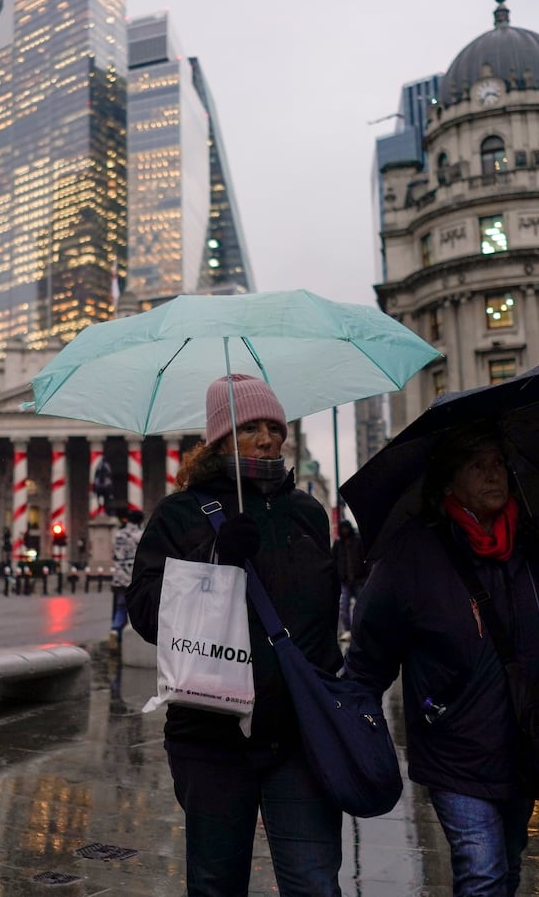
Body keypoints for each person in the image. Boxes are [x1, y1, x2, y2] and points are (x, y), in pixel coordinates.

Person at [345, 426, 539, 897]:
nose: (494, 476)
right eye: (477, 466)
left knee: (507, 861)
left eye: (499, 464)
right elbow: (370, 651)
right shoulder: (412, 553)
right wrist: (356, 724)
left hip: (526, 737)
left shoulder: (531, 542)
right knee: (481, 870)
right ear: (449, 482)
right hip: (455, 745)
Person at [127, 374, 342, 895]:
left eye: (274, 426)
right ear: (220, 438)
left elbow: (324, 615)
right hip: (211, 734)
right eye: (250, 428)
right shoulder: (180, 514)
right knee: (216, 882)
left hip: (299, 731)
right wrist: (215, 560)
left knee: (315, 882)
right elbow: (145, 612)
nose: (268, 438)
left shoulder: (307, 512)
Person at [110, 508, 143, 641]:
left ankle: (115, 630)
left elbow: (115, 554)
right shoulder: (140, 535)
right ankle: (133, 635)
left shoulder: (119, 534)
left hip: (119, 575)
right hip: (134, 575)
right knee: (137, 607)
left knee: (120, 606)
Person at [332, 519, 367, 641]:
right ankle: (348, 630)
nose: (345, 531)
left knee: (360, 606)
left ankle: (358, 630)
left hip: (358, 580)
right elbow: (334, 560)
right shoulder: (338, 544)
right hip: (345, 581)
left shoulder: (357, 541)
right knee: (344, 606)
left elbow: (364, 558)